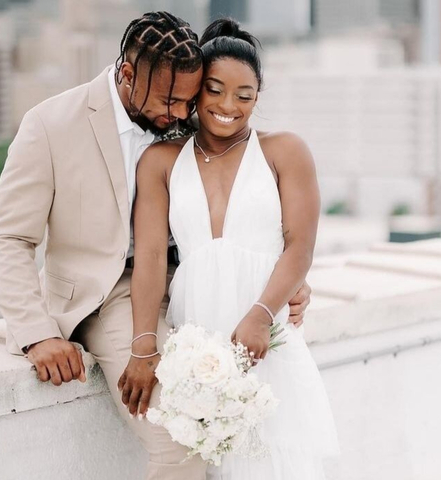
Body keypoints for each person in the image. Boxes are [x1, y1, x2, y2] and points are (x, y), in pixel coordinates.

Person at [0, 11, 313, 480]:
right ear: (126, 74)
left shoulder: (188, 124)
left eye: (187, 101)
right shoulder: (51, 124)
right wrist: (38, 333)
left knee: (243, 433)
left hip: (194, 289)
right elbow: (8, 239)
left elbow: (246, 205)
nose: (180, 114)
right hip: (110, 295)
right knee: (182, 439)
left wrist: (284, 282)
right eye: (170, 101)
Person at [121, 18, 339, 480]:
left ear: (258, 97)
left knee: (273, 460)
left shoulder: (285, 151)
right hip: (194, 334)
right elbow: (152, 259)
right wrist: (144, 346)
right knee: (209, 462)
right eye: (215, 90)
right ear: (197, 90)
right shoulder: (160, 162)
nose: (228, 106)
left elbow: (300, 247)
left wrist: (261, 315)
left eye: (245, 96)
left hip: (265, 334)